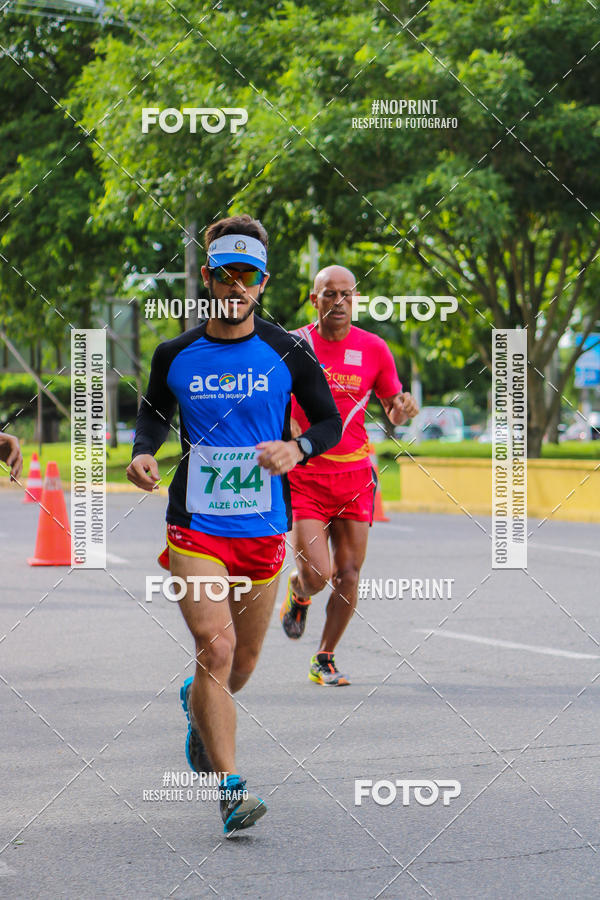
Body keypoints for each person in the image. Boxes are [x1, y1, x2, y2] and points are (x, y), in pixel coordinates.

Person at [126, 215, 341, 834]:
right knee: (213, 646)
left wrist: (297, 450)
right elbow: (152, 420)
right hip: (195, 524)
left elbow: (329, 424)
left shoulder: (288, 351)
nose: (235, 286)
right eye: (225, 275)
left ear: (263, 281)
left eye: (246, 276)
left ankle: (199, 713)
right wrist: (144, 453)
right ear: (207, 279)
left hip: (265, 528)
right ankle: (230, 790)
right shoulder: (175, 355)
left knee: (239, 665)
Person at [280, 265, 419, 685]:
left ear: (355, 298)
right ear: (314, 299)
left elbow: (392, 406)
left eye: (345, 294)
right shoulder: (293, 345)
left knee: (349, 573)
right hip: (305, 475)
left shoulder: (374, 348)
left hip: (355, 475)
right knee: (318, 575)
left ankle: (324, 657)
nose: (337, 302)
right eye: (328, 294)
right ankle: (300, 591)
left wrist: (402, 409)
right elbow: (269, 399)